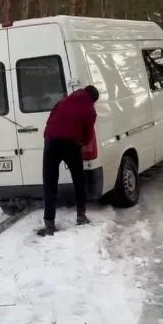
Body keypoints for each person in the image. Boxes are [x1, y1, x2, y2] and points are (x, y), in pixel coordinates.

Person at [37, 85, 99, 236]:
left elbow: (50, 120)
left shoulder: (62, 102)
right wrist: (81, 143)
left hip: (51, 141)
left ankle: (49, 224)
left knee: (49, 181)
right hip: (71, 144)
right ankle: (81, 215)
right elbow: (88, 135)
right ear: (93, 99)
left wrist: (48, 137)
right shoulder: (90, 110)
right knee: (78, 179)